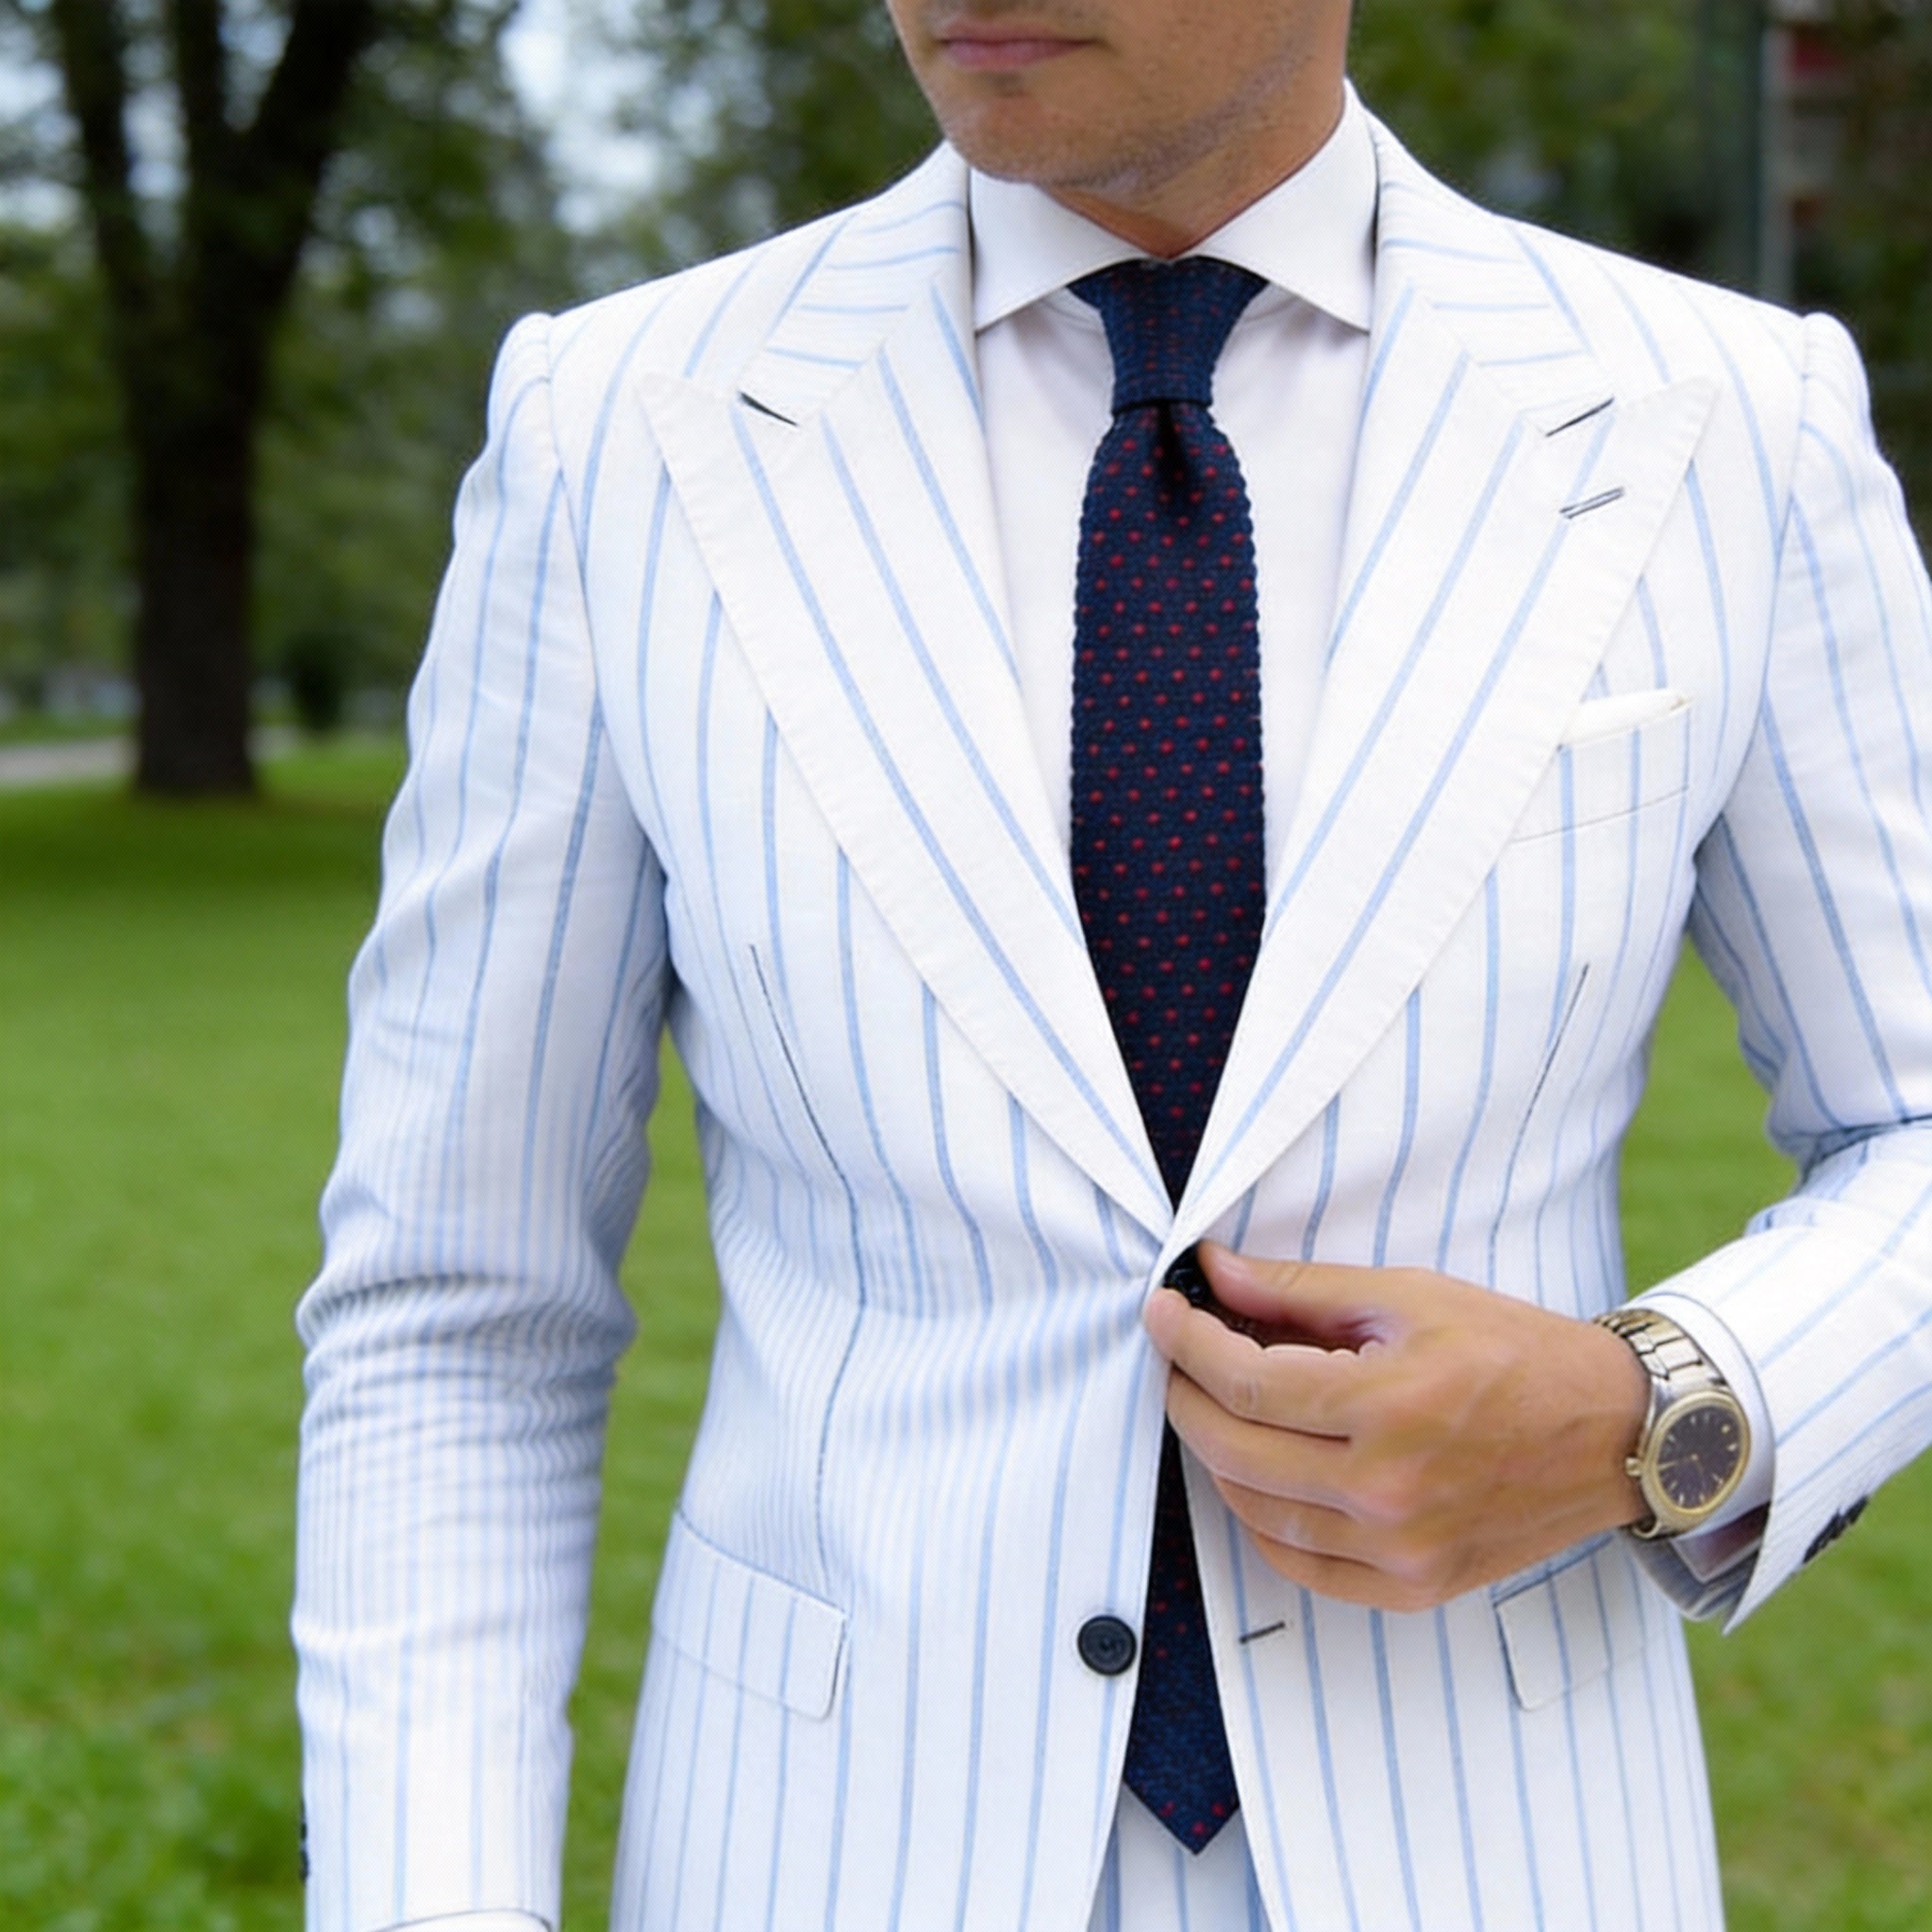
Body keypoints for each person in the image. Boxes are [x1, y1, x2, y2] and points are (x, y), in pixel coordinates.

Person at [292, 0, 1932, 1926]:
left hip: (1501, 1848)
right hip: (824, 1855)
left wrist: (1647, 1407)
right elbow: (456, 1313)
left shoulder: (1722, 420)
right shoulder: (622, 430)